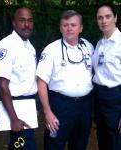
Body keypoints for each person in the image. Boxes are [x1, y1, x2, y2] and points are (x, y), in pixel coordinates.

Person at [36, 10, 94, 150]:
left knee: (80, 144)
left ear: (80, 28)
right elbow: (41, 82)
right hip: (60, 106)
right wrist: (47, 112)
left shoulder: (89, 47)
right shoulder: (51, 50)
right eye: (65, 25)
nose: (69, 28)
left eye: (73, 25)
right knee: (54, 144)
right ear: (60, 27)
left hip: (85, 106)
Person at [0, 6, 37, 150]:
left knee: (19, 144)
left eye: (30, 21)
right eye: (22, 20)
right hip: (15, 106)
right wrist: (14, 118)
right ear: (14, 22)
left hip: (28, 104)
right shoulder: (5, 47)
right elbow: (2, 85)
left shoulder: (29, 47)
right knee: (24, 145)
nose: (27, 25)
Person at [92, 3, 121, 150]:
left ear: (115, 18)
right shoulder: (100, 43)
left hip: (115, 98)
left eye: (108, 16)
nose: (104, 21)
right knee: (102, 138)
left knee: (115, 141)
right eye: (100, 18)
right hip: (99, 97)